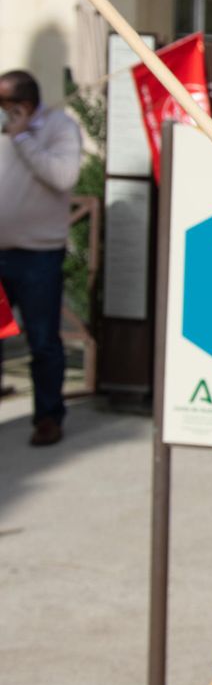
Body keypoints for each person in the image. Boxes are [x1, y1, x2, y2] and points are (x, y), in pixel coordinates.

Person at [0, 70, 82, 447]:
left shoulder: (59, 127)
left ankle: (48, 417)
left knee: (43, 342)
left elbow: (63, 176)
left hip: (38, 256)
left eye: (6, 104)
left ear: (26, 105)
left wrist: (23, 140)